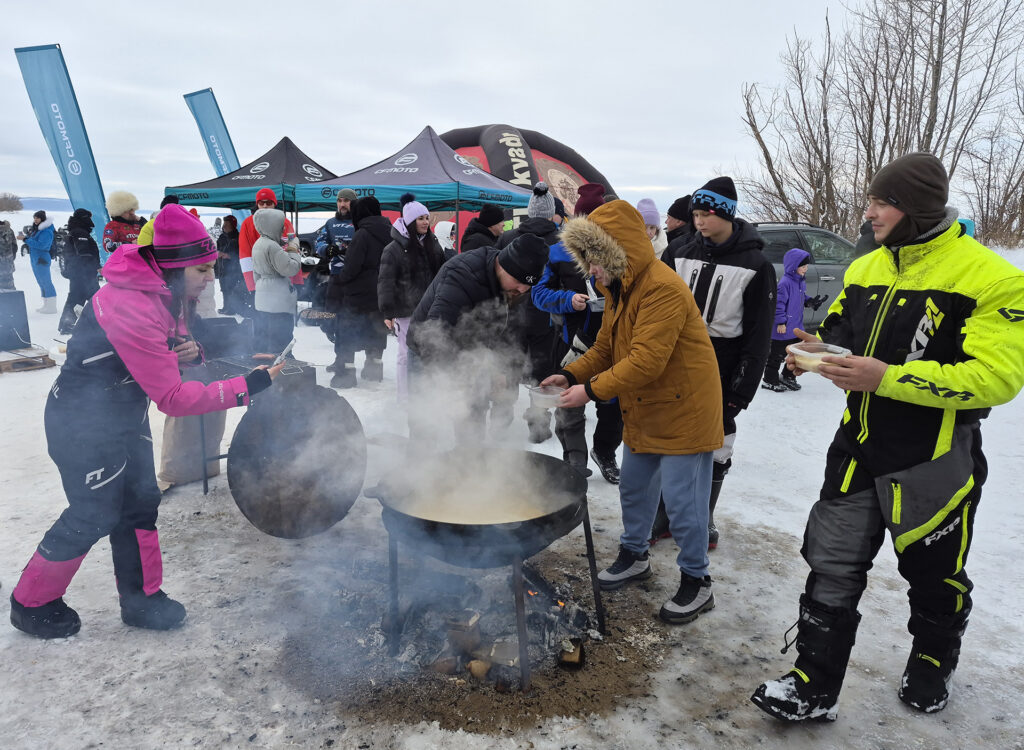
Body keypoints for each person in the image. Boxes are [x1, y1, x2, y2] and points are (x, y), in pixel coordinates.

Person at [751, 152, 1024, 721]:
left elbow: (997, 379)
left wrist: (886, 377)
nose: (868, 211)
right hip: (856, 447)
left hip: (932, 459)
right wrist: (817, 351)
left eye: (881, 202)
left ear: (915, 208)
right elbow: (841, 334)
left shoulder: (992, 276)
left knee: (933, 573)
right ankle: (811, 683)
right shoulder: (868, 267)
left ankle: (931, 660)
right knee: (830, 563)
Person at [8, 204, 285, 639]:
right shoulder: (130, 301)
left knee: (140, 505)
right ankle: (30, 602)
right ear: (174, 268)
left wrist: (186, 348)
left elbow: (162, 344)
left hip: (124, 415)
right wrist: (246, 385)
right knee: (93, 513)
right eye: (203, 269)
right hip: (83, 422)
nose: (211, 277)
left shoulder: (163, 290)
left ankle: (142, 600)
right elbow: (173, 398)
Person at [540, 200, 723, 624]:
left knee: (683, 504)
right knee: (635, 489)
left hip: (686, 410)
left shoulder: (661, 287)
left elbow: (646, 361)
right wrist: (568, 376)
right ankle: (634, 555)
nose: (591, 272)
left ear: (616, 252)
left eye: (594, 260)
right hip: (646, 405)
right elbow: (605, 349)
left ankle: (698, 581)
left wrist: (589, 391)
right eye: (585, 261)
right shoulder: (618, 289)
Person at [660, 176, 776, 549]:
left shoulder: (757, 264)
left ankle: (702, 516)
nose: (699, 222)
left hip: (724, 361)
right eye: (694, 215)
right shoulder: (677, 252)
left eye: (705, 214)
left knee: (718, 441)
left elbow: (759, 334)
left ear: (725, 213)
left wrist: (741, 389)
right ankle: (663, 515)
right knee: (667, 436)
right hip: (674, 358)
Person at [406, 233, 549, 447]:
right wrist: (453, 382)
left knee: (473, 417)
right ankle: (417, 468)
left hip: (473, 354)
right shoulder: (463, 275)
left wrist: (499, 369)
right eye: (519, 282)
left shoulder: (515, 288)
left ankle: (470, 463)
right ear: (503, 266)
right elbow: (434, 335)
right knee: (426, 417)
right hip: (427, 351)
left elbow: (505, 329)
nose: (522, 290)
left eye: (528, 286)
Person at [532, 191, 624, 481]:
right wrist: (567, 299)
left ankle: (605, 452)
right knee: (570, 404)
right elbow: (538, 293)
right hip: (573, 340)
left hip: (615, 342)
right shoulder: (558, 250)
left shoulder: (620, 250)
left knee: (613, 405)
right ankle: (575, 461)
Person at [497, 182, 564, 445]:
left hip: (509, 313)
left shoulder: (507, 237)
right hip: (545, 316)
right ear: (550, 214)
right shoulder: (561, 240)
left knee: (507, 365)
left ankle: (501, 420)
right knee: (543, 369)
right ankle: (538, 425)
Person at [378, 199, 444, 400]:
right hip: (405, 310)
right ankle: (405, 397)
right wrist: (388, 312)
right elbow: (385, 281)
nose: (425, 222)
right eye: (420, 219)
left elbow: (442, 272)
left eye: (426, 217)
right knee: (406, 354)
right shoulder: (394, 249)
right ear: (409, 221)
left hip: (430, 308)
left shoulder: (432, 243)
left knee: (430, 351)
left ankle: (427, 395)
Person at [331, 196, 391, 389]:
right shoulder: (391, 232)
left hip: (358, 294)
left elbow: (352, 267)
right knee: (376, 331)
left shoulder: (362, 234)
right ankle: (374, 370)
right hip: (382, 292)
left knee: (348, 331)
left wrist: (342, 279)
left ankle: (345, 375)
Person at [761, 248, 826, 392]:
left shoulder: (800, 282)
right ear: (793, 266)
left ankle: (787, 376)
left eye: (806, 266)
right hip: (783, 328)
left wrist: (810, 302)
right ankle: (769, 380)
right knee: (776, 356)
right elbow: (778, 304)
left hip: (795, 327)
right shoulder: (785, 283)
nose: (806, 269)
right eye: (803, 266)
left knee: (796, 353)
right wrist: (781, 322)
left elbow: (800, 298)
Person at [251, 208, 300, 354]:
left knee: (265, 338)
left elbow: (256, 274)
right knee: (281, 339)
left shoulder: (258, 243)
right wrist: (293, 249)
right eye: (280, 224)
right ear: (272, 225)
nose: (283, 228)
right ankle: (283, 368)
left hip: (262, 297)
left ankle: (265, 366)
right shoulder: (272, 246)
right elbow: (291, 268)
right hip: (278, 301)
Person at [57, 209, 101, 335]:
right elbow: (84, 253)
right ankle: (69, 324)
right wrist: (95, 267)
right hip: (83, 273)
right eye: (89, 217)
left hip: (80, 272)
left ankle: (67, 324)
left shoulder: (76, 231)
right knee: (96, 299)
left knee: (77, 298)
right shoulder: (79, 232)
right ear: (84, 218)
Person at [18, 210, 57, 312]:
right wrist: (26, 237)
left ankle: (52, 307)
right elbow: (34, 242)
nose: (35, 220)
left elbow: (42, 245)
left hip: (42, 258)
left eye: (37, 218)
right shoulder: (38, 229)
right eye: (34, 218)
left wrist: (25, 240)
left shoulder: (46, 231)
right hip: (36, 258)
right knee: (41, 282)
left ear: (42, 219)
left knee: (46, 282)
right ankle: (46, 305)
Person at [216, 215, 246, 315]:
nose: (223, 226)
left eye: (226, 224)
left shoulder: (238, 237)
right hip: (222, 268)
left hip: (234, 269)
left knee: (231, 289)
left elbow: (242, 253)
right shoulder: (221, 237)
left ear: (233, 226)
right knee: (224, 289)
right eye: (224, 224)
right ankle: (226, 307)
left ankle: (233, 308)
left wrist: (229, 256)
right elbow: (217, 249)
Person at [102, 191, 146, 258]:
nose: (132, 213)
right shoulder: (112, 226)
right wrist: (130, 244)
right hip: (123, 264)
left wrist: (142, 220)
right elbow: (108, 246)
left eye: (133, 210)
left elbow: (153, 233)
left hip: (141, 262)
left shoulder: (138, 224)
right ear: (119, 211)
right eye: (128, 210)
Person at [0, 219, 17, 291]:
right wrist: (10, 258)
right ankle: (11, 301)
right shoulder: (9, 230)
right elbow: (15, 246)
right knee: (9, 289)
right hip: (8, 264)